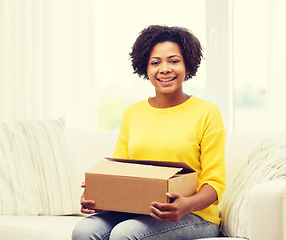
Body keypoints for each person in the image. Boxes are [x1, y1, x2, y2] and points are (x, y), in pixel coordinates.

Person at [72, 25, 226, 240]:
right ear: (145, 69)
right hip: (139, 211)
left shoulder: (207, 112)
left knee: (125, 234)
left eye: (174, 61)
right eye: (155, 62)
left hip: (196, 216)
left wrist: (185, 205)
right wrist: (101, 194)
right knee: (84, 231)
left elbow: (215, 184)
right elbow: (120, 169)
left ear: (188, 66)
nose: (164, 69)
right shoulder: (132, 113)